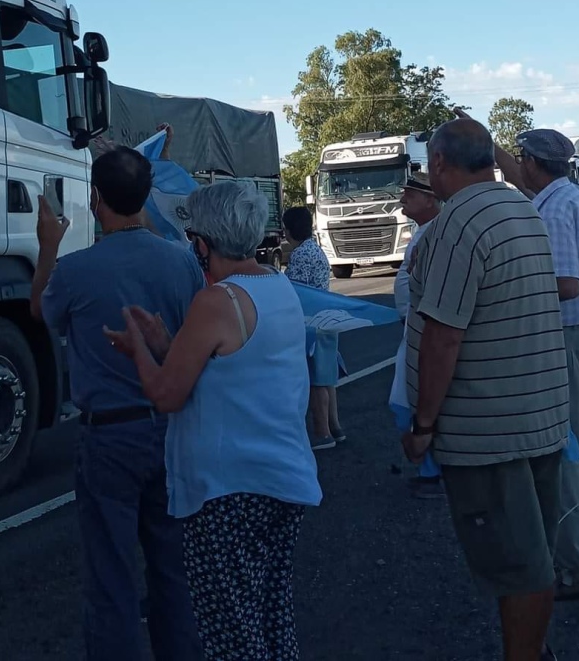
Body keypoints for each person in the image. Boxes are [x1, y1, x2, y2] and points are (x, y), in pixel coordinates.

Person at [106, 180, 322, 661]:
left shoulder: (216, 301)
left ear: (202, 244)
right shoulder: (277, 285)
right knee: (270, 613)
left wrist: (139, 349)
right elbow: (231, 368)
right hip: (281, 480)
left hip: (228, 491)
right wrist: (168, 345)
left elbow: (166, 394)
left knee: (230, 630)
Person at [402, 120, 568, 661]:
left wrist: (423, 426)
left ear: (442, 163)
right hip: (537, 415)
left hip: (488, 430)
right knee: (532, 553)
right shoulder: (523, 209)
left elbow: (443, 336)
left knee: (521, 567)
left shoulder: (458, 224)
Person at [30, 146, 204, 661]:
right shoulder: (182, 262)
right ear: (146, 196)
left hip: (110, 435)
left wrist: (47, 247)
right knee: (173, 571)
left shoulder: (77, 270)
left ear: (95, 198)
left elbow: (39, 310)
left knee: (111, 578)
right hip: (172, 428)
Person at [486, 124, 579, 600]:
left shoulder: (553, 210)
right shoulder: (573, 198)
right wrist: (488, 140)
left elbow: (567, 284)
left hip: (562, 343)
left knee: (566, 458)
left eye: (521, 160)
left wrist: (504, 288)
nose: (516, 167)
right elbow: (520, 177)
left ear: (534, 163)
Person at [388, 171, 443, 498]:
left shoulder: (434, 234)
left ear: (431, 199)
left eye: (410, 193)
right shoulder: (423, 232)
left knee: (408, 400)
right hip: (412, 328)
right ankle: (429, 468)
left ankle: (431, 471)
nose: (402, 199)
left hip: (421, 332)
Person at [283, 205, 345, 449]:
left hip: (310, 324)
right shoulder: (317, 251)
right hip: (327, 319)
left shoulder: (299, 256)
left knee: (316, 379)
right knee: (328, 377)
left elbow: (293, 291)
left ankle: (322, 432)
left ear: (289, 231)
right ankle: (335, 426)